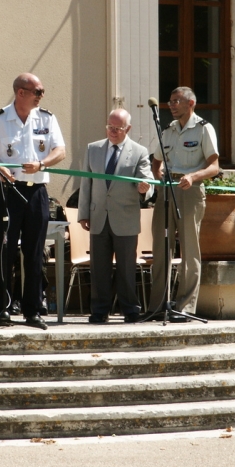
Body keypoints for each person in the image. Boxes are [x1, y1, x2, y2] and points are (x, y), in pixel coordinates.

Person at [0, 73, 66, 330]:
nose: (41, 95)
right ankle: (2, 309)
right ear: (20, 92)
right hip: (7, 191)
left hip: (36, 191)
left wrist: (42, 163)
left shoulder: (47, 118)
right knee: (5, 251)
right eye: (38, 91)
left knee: (35, 253)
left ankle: (32, 310)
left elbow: (60, 150)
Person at [148, 86, 219, 321]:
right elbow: (156, 161)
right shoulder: (167, 131)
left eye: (176, 100)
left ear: (191, 103)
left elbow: (214, 166)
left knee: (189, 250)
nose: (171, 105)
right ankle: (158, 305)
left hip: (190, 190)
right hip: (167, 191)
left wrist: (193, 176)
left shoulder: (203, 129)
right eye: (170, 101)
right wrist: (158, 178)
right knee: (160, 247)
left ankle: (185, 307)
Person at [78, 108, 153, 324]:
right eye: (109, 127)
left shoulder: (139, 151)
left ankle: (130, 310)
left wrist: (144, 189)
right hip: (98, 217)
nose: (112, 131)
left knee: (126, 268)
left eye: (117, 128)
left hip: (125, 218)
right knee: (99, 268)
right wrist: (84, 213)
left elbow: (147, 182)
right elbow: (86, 184)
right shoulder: (93, 149)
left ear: (127, 128)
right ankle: (100, 310)